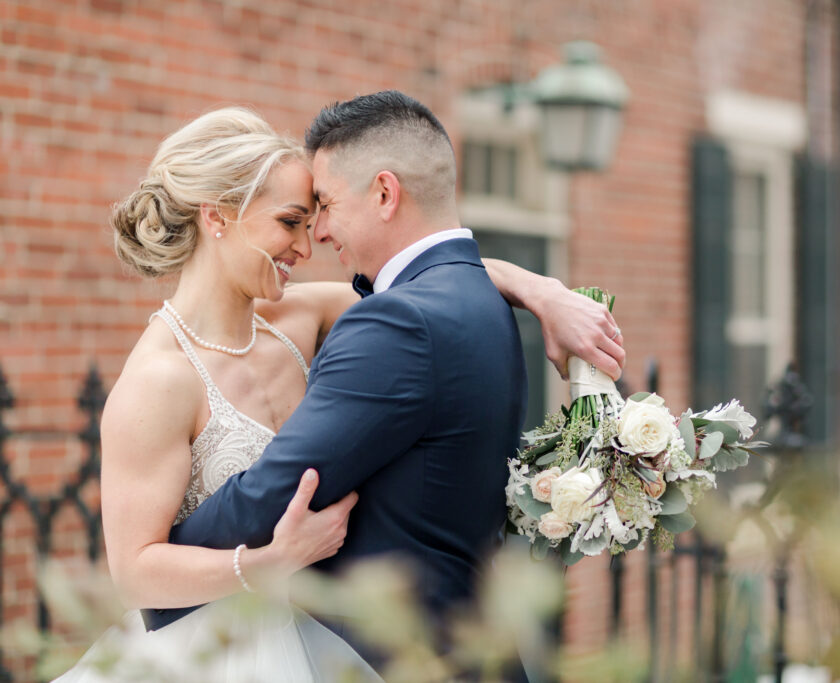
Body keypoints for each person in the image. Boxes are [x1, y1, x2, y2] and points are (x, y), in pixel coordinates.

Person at [53, 103, 624, 681]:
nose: (308, 246)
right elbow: (132, 573)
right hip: (219, 647)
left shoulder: (300, 315)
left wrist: (541, 291)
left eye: (314, 218)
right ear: (218, 218)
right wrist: (266, 564)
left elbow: (434, 288)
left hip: (327, 640)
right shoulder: (157, 380)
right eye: (290, 221)